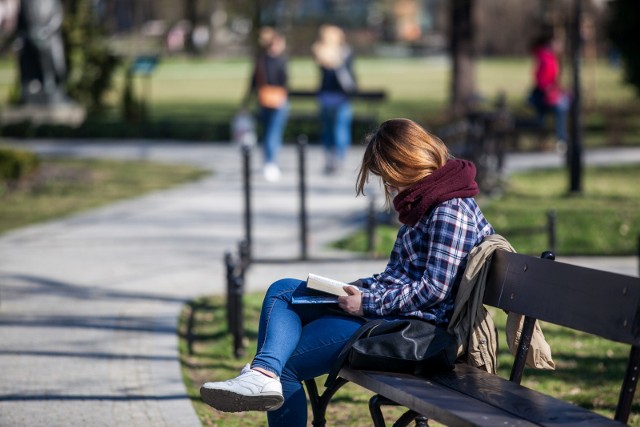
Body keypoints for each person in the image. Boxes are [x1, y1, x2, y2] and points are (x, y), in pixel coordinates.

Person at [199, 118, 495, 426]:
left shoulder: (449, 209)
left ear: (408, 163)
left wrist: (367, 303)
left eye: (388, 176)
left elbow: (434, 289)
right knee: (283, 289)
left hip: (415, 331)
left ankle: (263, 374)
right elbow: (400, 276)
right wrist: (353, 287)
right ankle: (263, 373)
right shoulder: (430, 201)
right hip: (389, 317)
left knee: (285, 367)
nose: (389, 185)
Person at [311, 25, 357, 174]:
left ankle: (334, 159)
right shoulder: (328, 52)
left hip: (331, 97)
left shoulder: (336, 52)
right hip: (336, 97)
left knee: (333, 129)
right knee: (336, 129)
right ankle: (336, 159)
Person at [247, 27, 289, 182]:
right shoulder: (276, 59)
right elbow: (282, 81)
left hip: (265, 99)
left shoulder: (262, 58)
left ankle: (269, 161)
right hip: (273, 100)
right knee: (272, 133)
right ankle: (270, 162)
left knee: (270, 133)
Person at [528, 32, 570, 152]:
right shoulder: (545, 57)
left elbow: (552, 78)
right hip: (543, 94)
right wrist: (547, 88)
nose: (560, 47)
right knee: (561, 108)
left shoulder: (550, 57)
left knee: (562, 106)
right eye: (558, 44)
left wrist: (560, 89)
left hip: (548, 93)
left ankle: (556, 139)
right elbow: (539, 76)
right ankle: (560, 140)